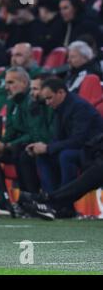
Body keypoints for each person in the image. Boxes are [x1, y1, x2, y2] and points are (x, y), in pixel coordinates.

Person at [27, 78, 103, 216]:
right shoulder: (60, 108)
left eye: (49, 98)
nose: (48, 102)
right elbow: (60, 138)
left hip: (91, 150)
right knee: (43, 157)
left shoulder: (79, 107)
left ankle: (63, 206)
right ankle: (47, 204)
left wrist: (49, 147)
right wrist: (44, 148)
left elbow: (79, 140)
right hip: (85, 150)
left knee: (65, 156)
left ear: (61, 92)